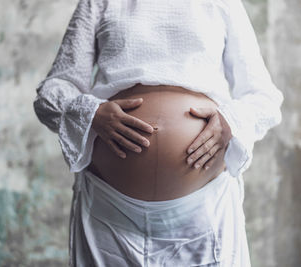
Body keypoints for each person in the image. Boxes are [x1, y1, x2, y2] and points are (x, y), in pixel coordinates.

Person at [33, 0, 284, 266]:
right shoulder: (100, 2)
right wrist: (91, 114)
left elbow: (263, 98)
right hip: (110, 207)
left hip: (203, 208)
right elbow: (52, 91)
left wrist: (229, 121)